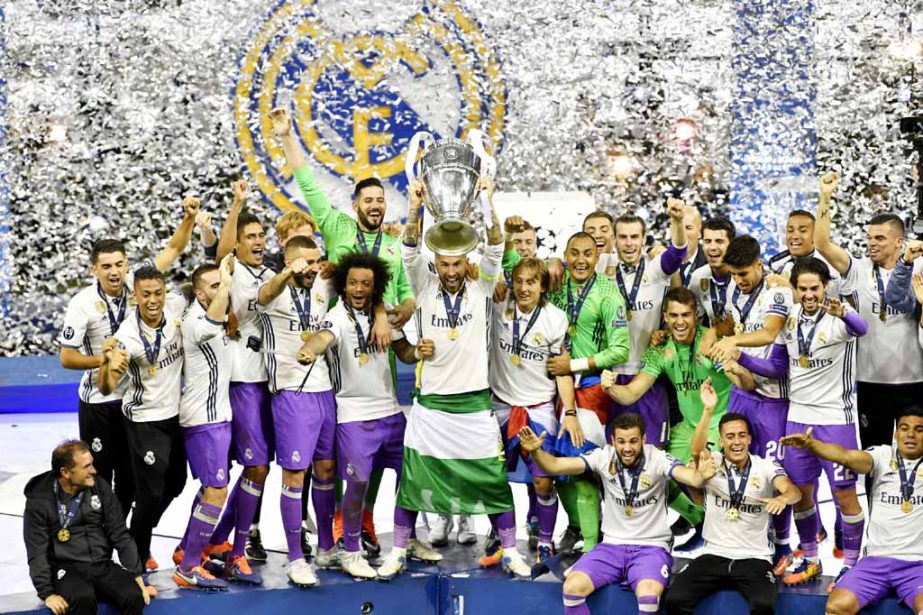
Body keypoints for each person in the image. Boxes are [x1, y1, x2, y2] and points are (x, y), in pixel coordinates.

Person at [270, 108, 416, 554]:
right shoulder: (335, 227)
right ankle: (325, 525)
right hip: (333, 354)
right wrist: (287, 136)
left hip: (375, 362)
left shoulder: (393, 247)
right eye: (367, 201)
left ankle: (360, 522)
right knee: (330, 457)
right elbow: (308, 181)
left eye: (380, 201)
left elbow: (408, 299)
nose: (374, 206)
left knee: (362, 456)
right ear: (355, 206)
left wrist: (391, 317)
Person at [377, 175, 532, 579]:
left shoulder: (482, 286)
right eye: (444, 264)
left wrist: (487, 199)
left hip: (474, 403)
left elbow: (497, 244)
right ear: (437, 264)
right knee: (412, 481)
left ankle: (511, 550)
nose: (450, 270)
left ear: (467, 262)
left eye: (456, 263)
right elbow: (409, 248)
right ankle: (397, 550)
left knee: (494, 481)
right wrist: (414, 207)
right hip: (430, 405)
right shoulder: (423, 284)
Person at [731, 257, 867, 587]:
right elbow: (777, 367)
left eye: (815, 288)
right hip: (797, 419)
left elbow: (861, 328)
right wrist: (740, 356)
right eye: (802, 288)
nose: (808, 295)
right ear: (795, 289)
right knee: (803, 494)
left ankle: (851, 564)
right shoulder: (789, 321)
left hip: (836, 420)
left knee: (844, 495)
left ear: (825, 288)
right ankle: (810, 557)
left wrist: (844, 312)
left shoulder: (837, 318)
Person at [58, 200, 199, 518]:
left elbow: (175, 246)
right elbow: (67, 358)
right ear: (94, 269)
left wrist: (189, 218)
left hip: (132, 403)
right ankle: (98, 547)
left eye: (119, 264)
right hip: (98, 404)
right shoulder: (83, 304)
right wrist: (107, 360)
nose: (114, 272)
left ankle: (127, 543)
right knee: (99, 478)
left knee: (132, 480)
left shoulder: (139, 287)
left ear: (126, 265)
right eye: (106, 266)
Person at [295, 252, 421, 578]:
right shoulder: (337, 316)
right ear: (343, 285)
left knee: (414, 475)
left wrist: (419, 351)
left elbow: (404, 351)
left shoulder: (383, 318)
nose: (359, 289)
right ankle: (351, 551)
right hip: (352, 416)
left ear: (375, 286)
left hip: (391, 412)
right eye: (352, 283)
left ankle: (404, 545)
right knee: (358, 483)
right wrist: (312, 347)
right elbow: (324, 337)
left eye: (365, 283)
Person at [519, 412, 716, 615]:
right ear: (613, 441)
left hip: (651, 547)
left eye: (633, 441)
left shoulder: (657, 459)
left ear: (644, 440)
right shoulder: (603, 456)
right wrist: (536, 452)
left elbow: (691, 478)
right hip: (611, 547)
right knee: (572, 588)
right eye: (621, 442)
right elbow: (556, 465)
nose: (627, 448)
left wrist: (701, 475)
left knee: (648, 596)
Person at [814, 172, 923, 450]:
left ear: (899, 242)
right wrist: (825, 197)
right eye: (869, 237)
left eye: (879, 238)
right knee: (875, 455)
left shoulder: (918, 269)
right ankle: (876, 497)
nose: (871, 243)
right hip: (870, 380)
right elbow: (822, 244)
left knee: (916, 455)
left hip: (914, 378)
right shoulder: (858, 269)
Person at [780, 407, 923, 615]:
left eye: (919, 429)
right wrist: (812, 445)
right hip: (875, 561)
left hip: (917, 565)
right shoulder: (883, 456)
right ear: (896, 433)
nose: (910, 434)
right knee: (836, 607)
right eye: (904, 428)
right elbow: (846, 456)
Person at [708, 234, 795, 573]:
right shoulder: (733, 289)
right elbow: (730, 323)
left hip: (774, 396)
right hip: (743, 392)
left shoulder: (778, 290)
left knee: (774, 473)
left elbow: (770, 333)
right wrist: (719, 340)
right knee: (736, 465)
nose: (739, 281)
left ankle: (783, 544)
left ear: (760, 265)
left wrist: (732, 342)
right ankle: (737, 538)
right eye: (733, 274)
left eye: (744, 274)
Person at [255, 235, 339, 587]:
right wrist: (287, 273)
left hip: (325, 391)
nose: (312, 268)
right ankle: (294, 556)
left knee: (326, 467)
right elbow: (263, 295)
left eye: (316, 261)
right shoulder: (274, 288)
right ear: (290, 262)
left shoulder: (322, 282)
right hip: (291, 393)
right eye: (305, 262)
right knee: (294, 475)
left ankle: (326, 547)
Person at [173, 256, 261, 589]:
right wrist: (226, 279)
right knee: (216, 491)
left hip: (218, 417)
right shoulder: (197, 322)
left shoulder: (218, 318)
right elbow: (218, 312)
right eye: (213, 286)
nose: (221, 289)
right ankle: (190, 566)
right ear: (199, 293)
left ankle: (187, 551)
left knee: (211, 488)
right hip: (202, 421)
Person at [98, 265, 190, 573]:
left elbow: (198, 290)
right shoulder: (128, 336)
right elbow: (107, 387)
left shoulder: (176, 304)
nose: (153, 300)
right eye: (145, 294)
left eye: (158, 293)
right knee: (148, 494)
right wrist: (109, 366)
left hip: (175, 416)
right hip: (144, 421)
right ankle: (134, 564)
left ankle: (135, 532)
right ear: (135, 296)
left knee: (177, 482)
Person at [664, 413, 802, 615]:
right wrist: (708, 410)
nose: (736, 442)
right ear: (721, 440)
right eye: (730, 436)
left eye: (741, 435)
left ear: (749, 439)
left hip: (755, 558)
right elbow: (695, 450)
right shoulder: (712, 464)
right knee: (675, 599)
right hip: (713, 554)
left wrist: (782, 498)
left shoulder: (765, 467)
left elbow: (794, 492)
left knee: (764, 606)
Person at [489, 255, 577, 564]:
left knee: (543, 480)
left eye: (531, 282)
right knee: (493, 479)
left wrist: (570, 412)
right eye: (519, 281)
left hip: (538, 408)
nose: (524, 288)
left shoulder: (555, 318)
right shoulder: (497, 305)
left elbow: (561, 370)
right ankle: (502, 536)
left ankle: (544, 540)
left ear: (543, 286)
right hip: (500, 406)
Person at [209, 186, 281, 563]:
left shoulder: (271, 272)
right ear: (237, 245)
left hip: (271, 382)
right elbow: (220, 253)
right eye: (249, 237)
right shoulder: (231, 271)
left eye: (260, 236)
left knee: (263, 467)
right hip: (242, 382)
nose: (257, 242)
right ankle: (221, 538)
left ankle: (234, 537)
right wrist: (236, 204)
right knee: (254, 465)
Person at [595, 203, 688, 449]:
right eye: (623, 237)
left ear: (643, 238)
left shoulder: (655, 269)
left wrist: (677, 221)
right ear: (614, 239)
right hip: (610, 375)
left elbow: (678, 252)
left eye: (635, 237)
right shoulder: (601, 265)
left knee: (653, 451)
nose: (629, 243)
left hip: (649, 373)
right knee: (613, 452)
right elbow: (570, 262)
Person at [24, 440, 149, 615]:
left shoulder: (100, 487)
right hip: (66, 569)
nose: (94, 470)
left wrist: (137, 574)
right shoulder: (40, 500)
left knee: (133, 595)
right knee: (83, 598)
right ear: (66, 472)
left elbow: (119, 533)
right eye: (87, 466)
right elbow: (36, 551)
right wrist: (47, 593)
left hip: (101, 564)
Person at [768, 209, 842, 299]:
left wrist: (790, 290)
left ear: (815, 235)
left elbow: (829, 307)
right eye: (790, 231)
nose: (794, 236)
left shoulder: (829, 269)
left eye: (802, 231)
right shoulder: (777, 264)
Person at [687, 216, 736, 327]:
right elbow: (694, 321)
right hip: (714, 342)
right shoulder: (697, 277)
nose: (712, 247)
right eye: (708, 241)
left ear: (732, 245)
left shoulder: (744, 277)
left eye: (719, 241)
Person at [678, 205, 706, 287]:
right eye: (678, 228)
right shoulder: (659, 260)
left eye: (688, 228)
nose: (682, 234)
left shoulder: (711, 262)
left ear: (700, 232)